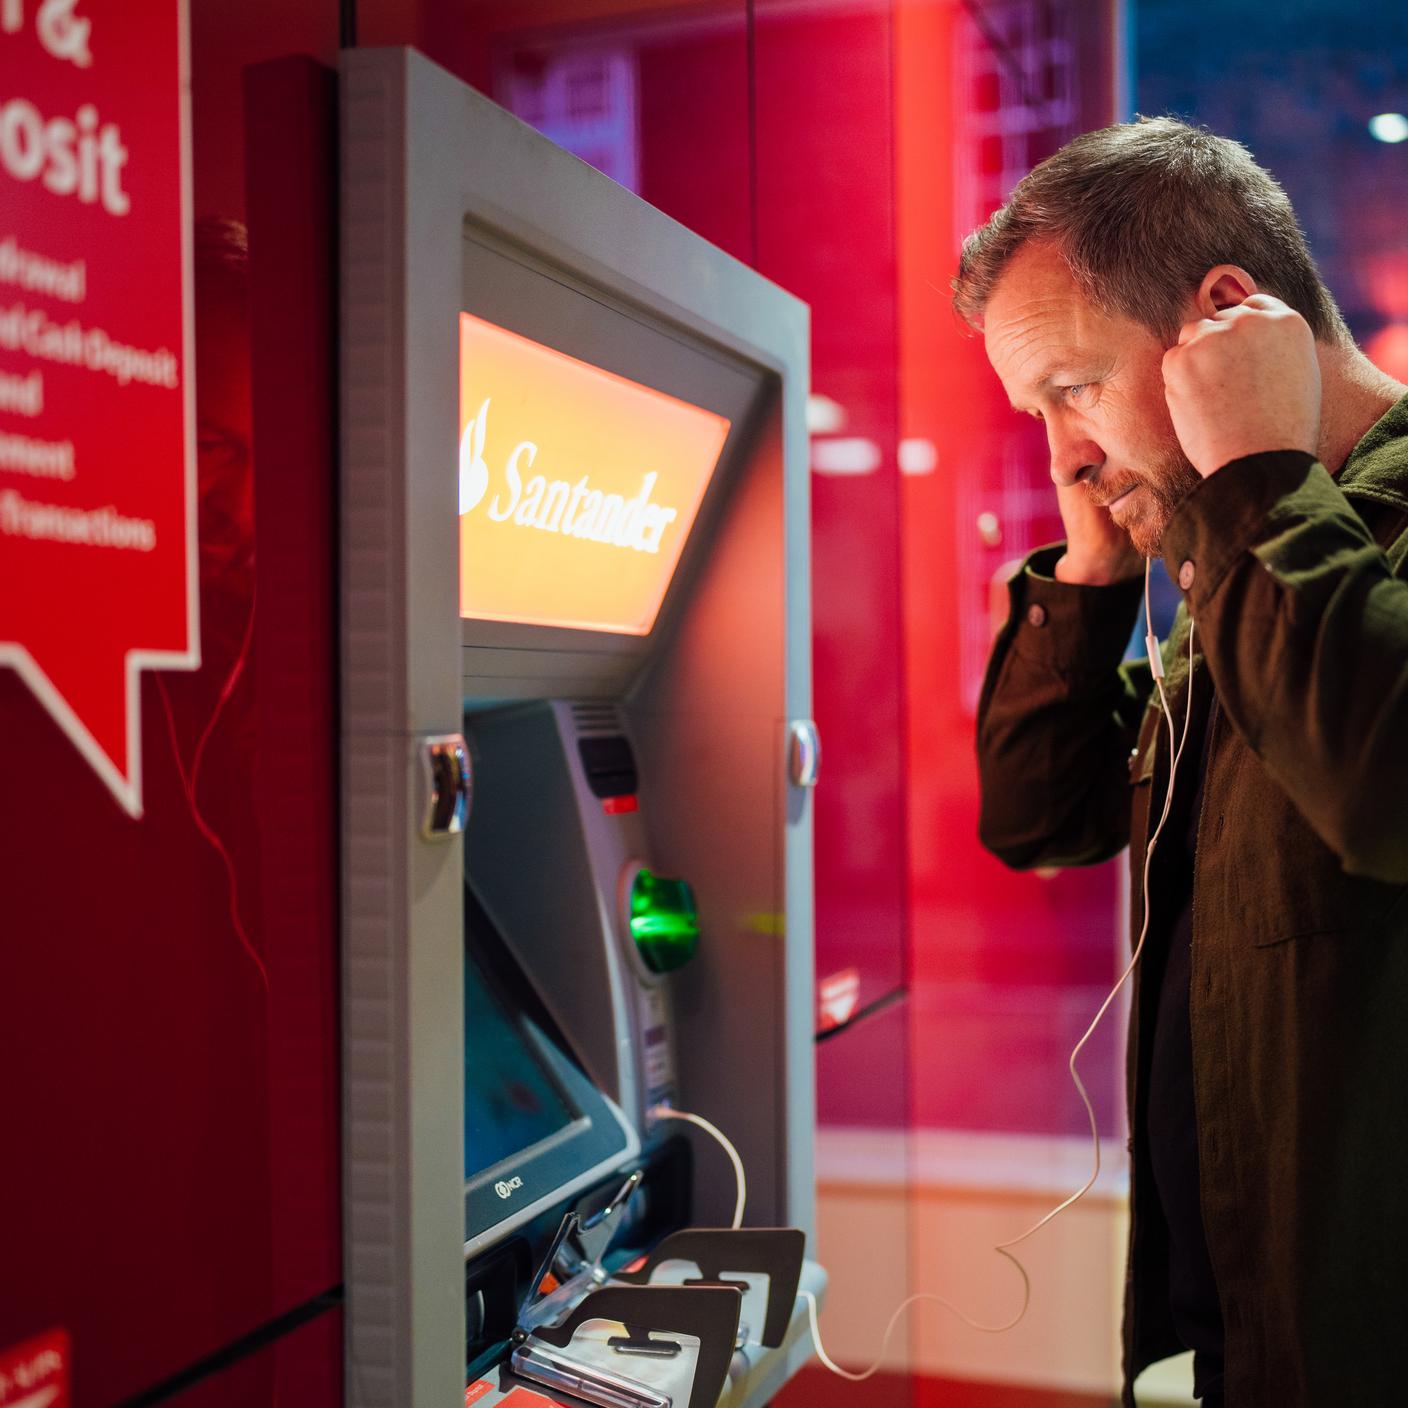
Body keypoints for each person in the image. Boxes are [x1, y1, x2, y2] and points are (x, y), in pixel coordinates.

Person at [956, 117, 1408, 1408]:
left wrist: (1258, 473)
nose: (1066, 459)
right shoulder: (1231, 567)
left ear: (1231, 318)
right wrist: (1095, 574)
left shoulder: (1298, 528)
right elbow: (1043, 818)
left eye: (1074, 390)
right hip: (1254, 1322)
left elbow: (1384, 784)